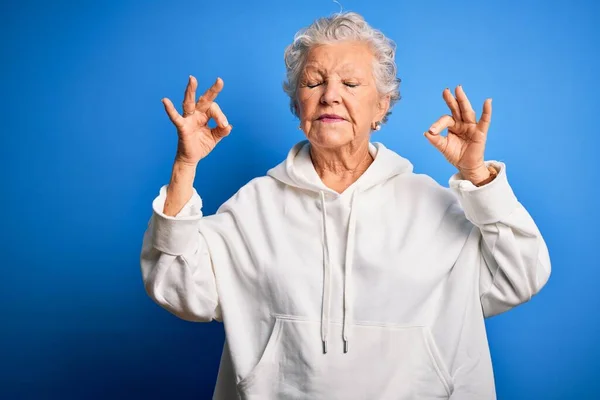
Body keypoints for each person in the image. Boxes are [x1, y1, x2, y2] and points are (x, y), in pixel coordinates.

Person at [140, 11, 551, 400]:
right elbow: (175, 287)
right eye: (314, 82)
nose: (330, 96)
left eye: (351, 85)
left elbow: (522, 275)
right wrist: (185, 166)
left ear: (382, 105)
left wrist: (478, 175)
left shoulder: (432, 205)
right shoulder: (254, 206)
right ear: (297, 103)